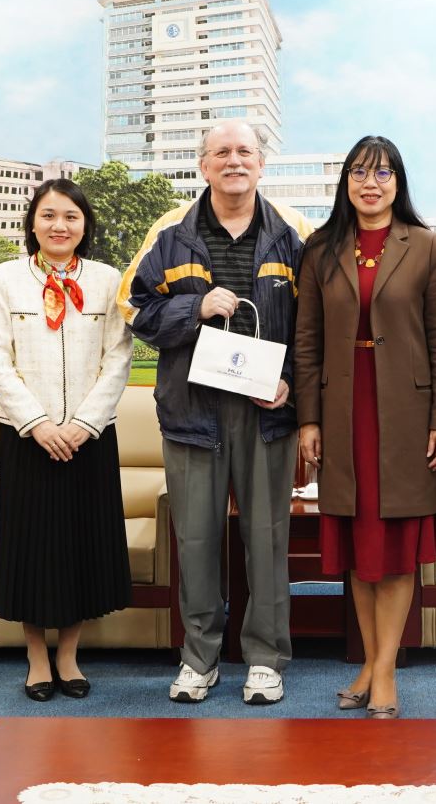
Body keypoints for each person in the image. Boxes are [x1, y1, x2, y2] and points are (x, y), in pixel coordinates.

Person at [121, 121, 309, 705]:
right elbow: (132, 307)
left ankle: (266, 660)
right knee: (197, 540)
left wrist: (290, 385)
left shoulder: (295, 233)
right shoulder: (170, 231)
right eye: (221, 152)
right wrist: (194, 308)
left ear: (261, 164)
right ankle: (199, 659)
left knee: (267, 539)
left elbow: (317, 325)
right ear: (203, 165)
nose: (234, 161)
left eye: (245, 151)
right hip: (191, 411)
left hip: (266, 413)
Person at [294, 136, 436, 720]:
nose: (371, 183)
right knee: (358, 547)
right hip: (343, 409)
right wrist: (308, 419)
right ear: (346, 182)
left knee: (394, 549)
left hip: (407, 416)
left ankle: (383, 671)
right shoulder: (321, 249)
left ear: (398, 182)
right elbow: (306, 341)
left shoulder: (427, 246)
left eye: (383, 173)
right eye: (360, 173)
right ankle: (371, 661)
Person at [0, 178, 134, 701]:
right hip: (28, 437)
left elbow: (118, 357)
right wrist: (39, 424)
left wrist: (84, 424)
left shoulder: (108, 280)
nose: (59, 225)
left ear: (84, 225)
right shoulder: (4, 279)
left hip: (90, 438)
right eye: (48, 215)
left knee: (81, 548)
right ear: (32, 223)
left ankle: (69, 655)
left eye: (70, 216)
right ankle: (36, 657)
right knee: (32, 550)